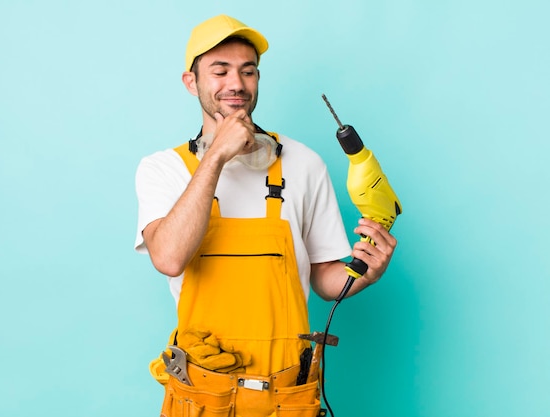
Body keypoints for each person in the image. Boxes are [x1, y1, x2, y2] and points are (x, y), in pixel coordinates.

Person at [135, 14, 397, 417]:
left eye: (248, 71)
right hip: (203, 390)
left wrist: (363, 271)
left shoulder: (304, 163)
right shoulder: (162, 169)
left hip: (287, 392)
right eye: (219, 71)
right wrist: (218, 154)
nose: (236, 84)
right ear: (192, 82)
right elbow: (168, 258)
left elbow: (325, 281)